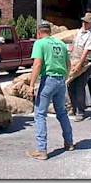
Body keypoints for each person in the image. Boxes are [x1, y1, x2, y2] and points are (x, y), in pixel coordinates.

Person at [26, 20, 74, 160]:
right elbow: (68, 64)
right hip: (60, 81)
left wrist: (31, 85)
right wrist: (65, 77)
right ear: (50, 32)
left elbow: (37, 64)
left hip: (48, 81)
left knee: (40, 114)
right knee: (62, 112)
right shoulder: (60, 44)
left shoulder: (40, 43)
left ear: (39, 33)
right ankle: (69, 142)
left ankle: (41, 150)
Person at [68, 12, 91, 122]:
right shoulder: (80, 31)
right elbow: (74, 43)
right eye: (83, 21)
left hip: (85, 63)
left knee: (79, 86)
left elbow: (86, 51)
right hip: (74, 60)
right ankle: (73, 107)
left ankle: (80, 112)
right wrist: (70, 48)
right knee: (70, 85)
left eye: (86, 22)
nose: (84, 23)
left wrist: (79, 65)